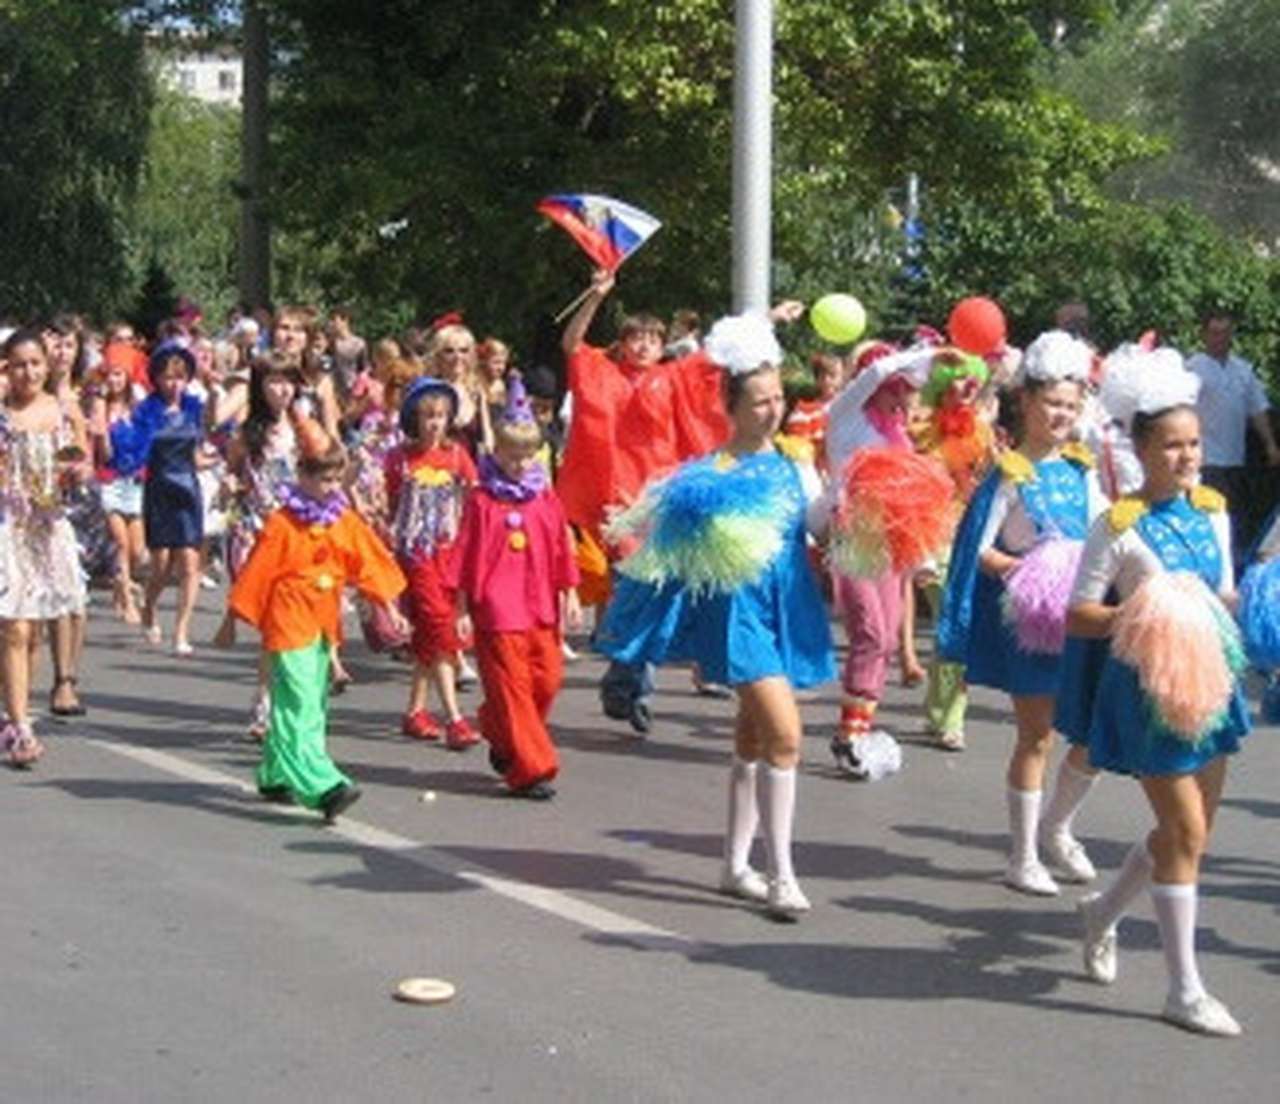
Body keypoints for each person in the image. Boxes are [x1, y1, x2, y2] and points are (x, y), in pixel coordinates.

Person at [596, 314, 835, 919]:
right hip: (738, 615)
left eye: (779, 398)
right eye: (759, 401)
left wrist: (847, 508)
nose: (772, 410)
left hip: (789, 605)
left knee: (752, 737)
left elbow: (815, 529)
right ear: (731, 405)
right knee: (786, 735)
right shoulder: (709, 475)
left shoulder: (793, 464)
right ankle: (782, 875)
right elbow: (664, 541)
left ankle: (734, 866)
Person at [1062, 346, 1248, 1036]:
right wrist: (1143, 611)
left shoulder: (1214, 512)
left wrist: (1244, 607)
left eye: (1194, 443)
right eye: (1172, 445)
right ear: (1141, 448)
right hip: (1146, 687)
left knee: (1187, 836)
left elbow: (1224, 594)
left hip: (1212, 679)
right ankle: (1184, 990)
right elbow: (1078, 616)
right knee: (1186, 831)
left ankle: (1101, 913)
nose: (1188, 456)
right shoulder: (1117, 523)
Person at [938, 330, 1107, 895]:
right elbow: (977, 551)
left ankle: (1059, 828)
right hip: (1032, 623)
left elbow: (1109, 537)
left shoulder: (1083, 470)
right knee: (1037, 736)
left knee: (1090, 731)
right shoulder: (1008, 474)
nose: (1060, 414)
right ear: (1026, 403)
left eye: (1069, 404)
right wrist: (1029, 572)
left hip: (1079, 620)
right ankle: (1022, 854)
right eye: (1050, 403)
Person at [226, 438, 408, 820]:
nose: (332, 487)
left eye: (337, 479)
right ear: (303, 476)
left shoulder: (343, 520)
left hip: (323, 622)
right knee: (300, 702)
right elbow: (255, 573)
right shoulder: (281, 524)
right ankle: (320, 785)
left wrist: (389, 607)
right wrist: (232, 620)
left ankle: (275, 774)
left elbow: (369, 562)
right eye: (324, 479)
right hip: (288, 619)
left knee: (312, 700)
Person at [447, 374, 582, 799]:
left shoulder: (545, 499)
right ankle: (532, 769)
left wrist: (571, 592)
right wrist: (462, 608)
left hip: (540, 604)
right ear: (498, 451)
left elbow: (562, 546)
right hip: (497, 609)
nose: (521, 463)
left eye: (528, 453)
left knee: (546, 680)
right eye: (512, 454)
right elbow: (465, 553)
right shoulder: (483, 501)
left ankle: (498, 729)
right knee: (513, 689)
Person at [0, 329, 90, 766]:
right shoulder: (1, 414)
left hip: (48, 527)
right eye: (18, 364)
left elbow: (82, 460)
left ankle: (13, 708)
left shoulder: (61, 410)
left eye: (34, 362)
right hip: (8, 525)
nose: (28, 372)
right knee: (14, 627)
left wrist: (75, 472)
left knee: (32, 631)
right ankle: (20, 726)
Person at [385, 376, 479, 748]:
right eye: (427, 416)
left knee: (430, 634)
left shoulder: (457, 456)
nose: (434, 423)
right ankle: (455, 719)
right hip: (417, 555)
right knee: (442, 633)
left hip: (450, 554)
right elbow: (389, 503)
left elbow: (474, 501)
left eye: (441, 415)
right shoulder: (399, 458)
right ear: (413, 419)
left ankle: (415, 711)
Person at [111, 339, 207, 655]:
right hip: (159, 490)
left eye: (179, 376)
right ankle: (150, 607)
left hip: (188, 489)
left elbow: (197, 454)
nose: (173, 383)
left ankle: (181, 631)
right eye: (167, 376)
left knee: (191, 564)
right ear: (157, 378)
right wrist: (120, 434)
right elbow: (133, 455)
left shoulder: (195, 410)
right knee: (162, 566)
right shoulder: (146, 412)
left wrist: (217, 461)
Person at [1185, 312, 1279, 555]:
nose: (1220, 338)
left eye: (1226, 333)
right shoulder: (1193, 369)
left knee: (1232, 516)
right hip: (1205, 458)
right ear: (1204, 335)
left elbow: (1257, 409)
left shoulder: (1243, 370)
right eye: (1215, 333)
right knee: (1207, 513)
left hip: (1234, 457)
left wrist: (1270, 445)